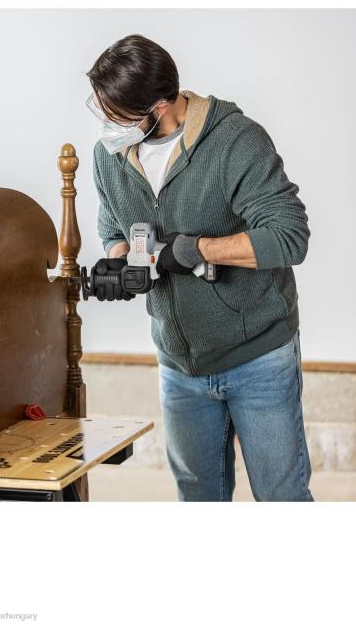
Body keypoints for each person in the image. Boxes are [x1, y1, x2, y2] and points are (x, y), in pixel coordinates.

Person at [87, 34, 312, 501]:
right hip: (178, 364)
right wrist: (119, 263)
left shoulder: (235, 141)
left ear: (160, 105)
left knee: (282, 497)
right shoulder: (108, 156)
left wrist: (198, 249)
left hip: (258, 357)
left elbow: (290, 236)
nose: (108, 126)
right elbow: (113, 227)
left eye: (118, 115)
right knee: (198, 499)